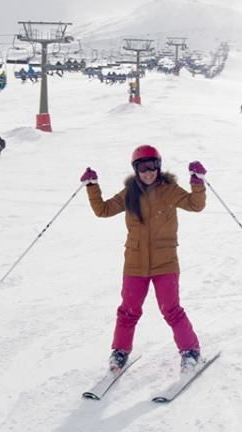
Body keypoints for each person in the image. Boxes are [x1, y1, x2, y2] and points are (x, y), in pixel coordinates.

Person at [81, 145, 208, 374]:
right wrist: (92, 186)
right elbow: (103, 210)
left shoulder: (169, 190)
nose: (148, 172)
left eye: (152, 167)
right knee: (128, 310)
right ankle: (120, 351)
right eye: (142, 167)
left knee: (171, 309)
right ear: (136, 169)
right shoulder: (130, 193)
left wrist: (197, 182)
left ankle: (191, 351)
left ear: (158, 167)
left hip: (165, 262)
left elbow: (195, 205)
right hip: (135, 262)